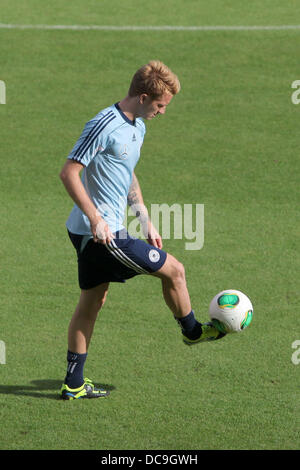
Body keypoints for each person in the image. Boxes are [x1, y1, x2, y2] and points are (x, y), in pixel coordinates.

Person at [59, 60, 225, 400]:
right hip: (99, 233)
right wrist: (96, 217)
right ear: (144, 96)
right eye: (161, 105)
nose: (163, 112)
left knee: (92, 303)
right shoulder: (103, 124)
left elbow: (126, 173)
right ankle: (192, 332)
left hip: (100, 228)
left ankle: (73, 384)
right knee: (175, 271)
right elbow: (69, 172)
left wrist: (144, 217)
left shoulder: (138, 126)